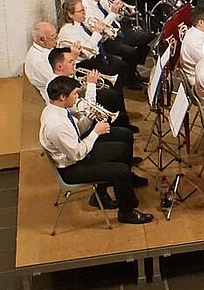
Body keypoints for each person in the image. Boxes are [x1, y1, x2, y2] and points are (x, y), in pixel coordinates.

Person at [40, 76, 153, 224]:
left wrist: (90, 118)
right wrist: (96, 132)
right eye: (74, 94)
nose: (77, 97)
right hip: (72, 168)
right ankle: (126, 212)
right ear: (62, 97)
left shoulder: (57, 109)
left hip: (75, 154)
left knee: (122, 148)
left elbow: (77, 132)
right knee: (121, 170)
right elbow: (77, 154)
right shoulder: (57, 126)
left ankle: (103, 194)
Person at [82, 0, 155, 89]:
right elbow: (101, 30)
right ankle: (130, 78)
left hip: (117, 31)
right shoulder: (84, 8)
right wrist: (112, 13)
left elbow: (115, 18)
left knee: (147, 37)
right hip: (105, 39)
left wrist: (122, 12)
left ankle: (132, 70)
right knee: (130, 51)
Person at [48, 47, 136, 133]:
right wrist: (91, 84)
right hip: (85, 119)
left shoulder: (65, 77)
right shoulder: (60, 86)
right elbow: (88, 107)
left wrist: (86, 82)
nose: (74, 64)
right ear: (59, 67)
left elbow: (78, 92)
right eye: (71, 62)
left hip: (85, 108)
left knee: (113, 95)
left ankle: (119, 124)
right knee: (112, 98)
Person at [26, 21, 77, 100]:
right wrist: (73, 58)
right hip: (60, 96)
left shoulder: (46, 48)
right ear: (42, 40)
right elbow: (59, 82)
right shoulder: (39, 61)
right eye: (53, 37)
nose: (57, 39)